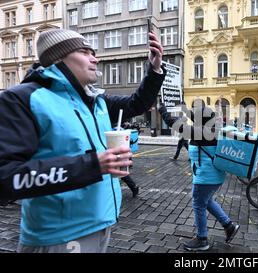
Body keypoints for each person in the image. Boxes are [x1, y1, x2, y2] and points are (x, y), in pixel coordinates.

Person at [0, 28, 166, 253]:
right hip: (58, 237)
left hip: (103, 223)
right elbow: (7, 177)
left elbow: (137, 104)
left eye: (93, 52)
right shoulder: (23, 98)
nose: (95, 58)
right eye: (85, 52)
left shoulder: (96, 99)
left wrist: (154, 70)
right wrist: (93, 165)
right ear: (60, 57)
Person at [158, 99, 240, 251]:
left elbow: (173, 122)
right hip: (214, 175)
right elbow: (194, 117)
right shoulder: (212, 127)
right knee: (206, 201)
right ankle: (228, 226)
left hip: (206, 176)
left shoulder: (199, 132)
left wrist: (161, 108)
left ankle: (202, 239)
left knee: (198, 204)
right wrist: (183, 106)